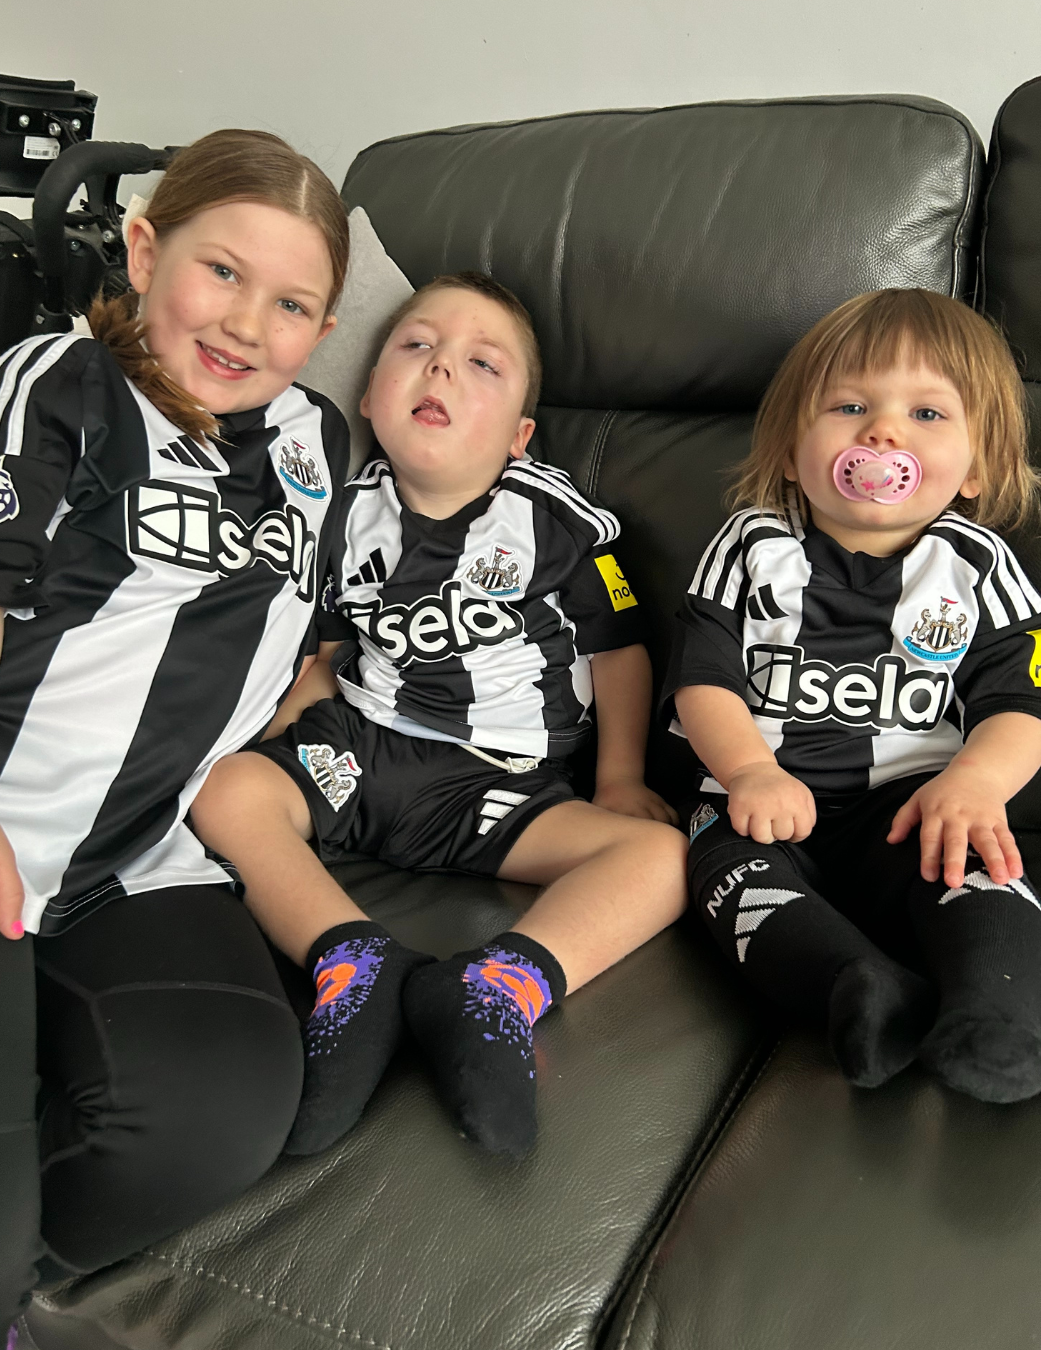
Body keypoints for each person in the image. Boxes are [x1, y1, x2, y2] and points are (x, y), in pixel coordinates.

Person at [0, 128, 350, 1349]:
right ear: (142, 247)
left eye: (292, 303)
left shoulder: (322, 448)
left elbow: (327, 629)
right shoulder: (57, 384)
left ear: (324, 331)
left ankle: (15, 1285)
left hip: (141, 861)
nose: (245, 324)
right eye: (220, 272)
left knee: (220, 1115)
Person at [190, 271, 687, 1160]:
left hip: (496, 782)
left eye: (482, 364)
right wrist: (277, 736)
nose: (442, 371)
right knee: (222, 787)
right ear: (374, 396)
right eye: (416, 348)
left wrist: (619, 777)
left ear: (521, 435)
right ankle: (353, 962)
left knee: (659, 857)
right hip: (359, 750)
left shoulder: (559, 521)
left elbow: (620, 649)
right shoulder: (337, 515)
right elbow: (324, 653)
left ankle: (497, 988)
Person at [667, 288, 1041, 1103]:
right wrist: (748, 772)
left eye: (928, 415)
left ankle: (997, 1014)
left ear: (977, 469)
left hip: (909, 803)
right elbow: (705, 682)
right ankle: (860, 989)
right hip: (756, 799)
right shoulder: (751, 545)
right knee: (723, 876)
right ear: (795, 442)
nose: (883, 432)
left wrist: (974, 784)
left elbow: (1020, 705)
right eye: (850, 405)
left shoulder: (976, 566)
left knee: (984, 867)